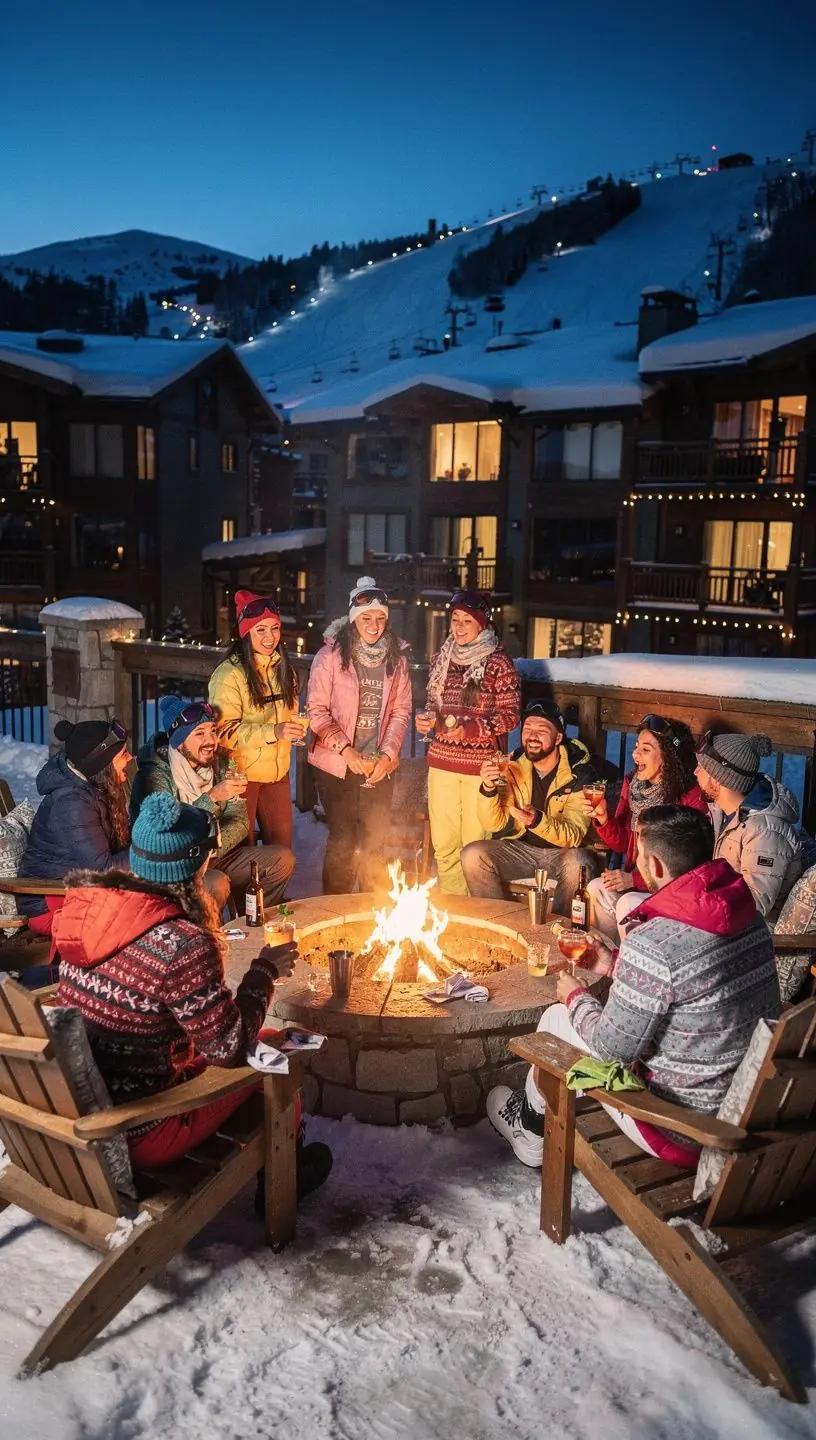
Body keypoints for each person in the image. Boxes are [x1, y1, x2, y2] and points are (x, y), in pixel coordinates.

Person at [53, 791, 332, 1198]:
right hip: (142, 1127)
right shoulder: (180, 942)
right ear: (196, 865)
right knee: (276, 1047)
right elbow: (229, 1048)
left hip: (80, 1106)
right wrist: (264, 972)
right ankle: (287, 1174)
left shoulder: (88, 912)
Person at [487, 806, 780, 1168]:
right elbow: (691, 984)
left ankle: (530, 1128)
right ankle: (533, 1119)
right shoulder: (749, 919)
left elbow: (611, 1050)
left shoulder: (653, 941)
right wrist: (614, 965)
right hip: (742, 1109)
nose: (637, 862)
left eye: (639, 853)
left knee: (556, 1019)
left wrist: (575, 996)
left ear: (655, 865)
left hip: (681, 1128)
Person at [131, 696, 295, 913]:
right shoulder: (155, 776)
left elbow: (240, 821)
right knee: (216, 883)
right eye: (200, 734)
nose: (211, 741)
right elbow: (166, 833)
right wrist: (211, 798)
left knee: (282, 860)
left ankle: (250, 920)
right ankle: (206, 932)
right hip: (175, 865)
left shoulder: (222, 764)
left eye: (213, 731)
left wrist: (212, 846)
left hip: (216, 853)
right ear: (179, 742)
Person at [307, 576, 412, 894]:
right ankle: (335, 909)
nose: (374, 625)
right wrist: (345, 750)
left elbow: (400, 712)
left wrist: (388, 755)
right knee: (343, 840)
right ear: (354, 619)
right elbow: (317, 712)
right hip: (337, 765)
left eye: (380, 618)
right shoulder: (330, 657)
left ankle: (371, 913)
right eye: (366, 618)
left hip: (378, 765)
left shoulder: (397, 660)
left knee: (374, 844)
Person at [416, 591, 520, 894]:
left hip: (480, 769)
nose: (459, 627)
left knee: (474, 848)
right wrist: (428, 719)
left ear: (482, 624)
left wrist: (471, 729)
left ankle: (475, 910)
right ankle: (452, 909)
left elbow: (510, 716)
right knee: (444, 847)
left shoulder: (498, 662)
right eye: (455, 620)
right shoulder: (442, 658)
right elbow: (434, 705)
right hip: (442, 764)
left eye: (467, 621)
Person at [460, 701, 598, 913]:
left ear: (558, 738)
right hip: (521, 852)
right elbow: (492, 823)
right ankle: (498, 921)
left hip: (562, 855)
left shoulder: (579, 772)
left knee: (579, 864)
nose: (532, 736)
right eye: (527, 729)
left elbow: (574, 835)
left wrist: (537, 821)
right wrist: (488, 787)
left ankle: (556, 928)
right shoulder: (513, 765)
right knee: (472, 855)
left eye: (541, 730)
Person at [585, 714, 707, 941]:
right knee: (596, 888)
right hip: (639, 881)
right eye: (636, 747)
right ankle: (605, 955)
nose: (635, 755)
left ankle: (633, 961)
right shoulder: (635, 785)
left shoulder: (690, 798)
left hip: (675, 892)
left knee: (628, 902)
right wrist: (604, 818)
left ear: (667, 757)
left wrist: (635, 880)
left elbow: (687, 867)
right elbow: (622, 843)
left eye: (646, 749)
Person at [17, 718, 132, 936]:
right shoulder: (72, 802)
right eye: (123, 754)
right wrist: (148, 852)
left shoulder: (94, 788)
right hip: (51, 902)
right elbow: (102, 868)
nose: (131, 758)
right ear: (102, 763)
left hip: (78, 891)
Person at [208, 592, 303, 850]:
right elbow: (223, 732)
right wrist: (274, 731)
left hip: (277, 774)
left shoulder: (284, 670)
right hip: (240, 776)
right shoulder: (229, 674)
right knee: (243, 849)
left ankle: (274, 882)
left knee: (282, 851)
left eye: (275, 628)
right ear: (246, 632)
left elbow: (290, 716)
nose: (270, 637)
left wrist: (296, 727)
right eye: (260, 629)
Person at [694, 730, 804, 923]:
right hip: (724, 917)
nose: (695, 772)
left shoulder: (765, 832)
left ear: (717, 779)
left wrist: (700, 908)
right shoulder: (723, 812)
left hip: (756, 932)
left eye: (701, 767)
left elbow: (755, 903)